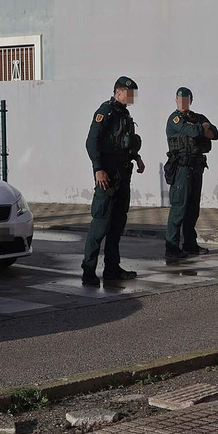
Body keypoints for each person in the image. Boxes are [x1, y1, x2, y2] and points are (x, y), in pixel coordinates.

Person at [82, 76, 146, 285]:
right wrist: (98, 169)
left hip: (122, 177)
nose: (131, 97)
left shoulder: (124, 114)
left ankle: (112, 269)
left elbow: (123, 145)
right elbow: (92, 142)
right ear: (118, 92)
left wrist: (136, 157)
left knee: (117, 226)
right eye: (128, 93)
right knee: (100, 226)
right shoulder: (106, 112)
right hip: (107, 179)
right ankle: (89, 271)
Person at [164, 87, 218, 261]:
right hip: (181, 167)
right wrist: (201, 129)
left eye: (186, 99)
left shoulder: (197, 117)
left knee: (193, 208)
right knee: (179, 207)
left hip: (196, 166)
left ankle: (190, 243)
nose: (183, 102)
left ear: (191, 100)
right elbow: (194, 132)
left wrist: (203, 128)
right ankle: (171, 246)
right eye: (180, 99)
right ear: (176, 101)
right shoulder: (175, 118)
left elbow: (214, 134)